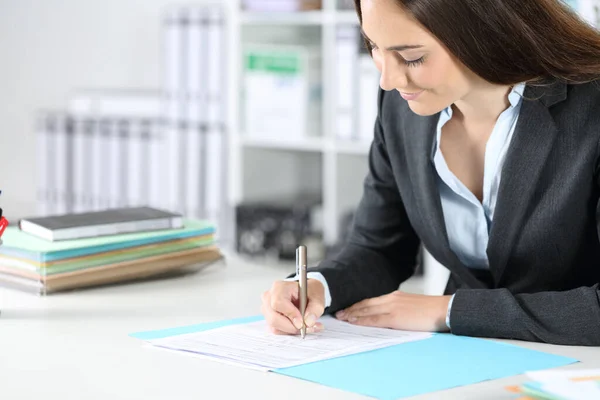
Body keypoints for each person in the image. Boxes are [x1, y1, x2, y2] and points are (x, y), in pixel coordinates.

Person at [260, 0, 600, 346]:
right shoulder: (403, 108)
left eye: (411, 58)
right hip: (462, 355)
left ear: (485, 29)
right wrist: (318, 286)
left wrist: (449, 310)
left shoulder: (592, 106)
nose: (388, 80)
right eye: (374, 47)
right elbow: (379, 249)